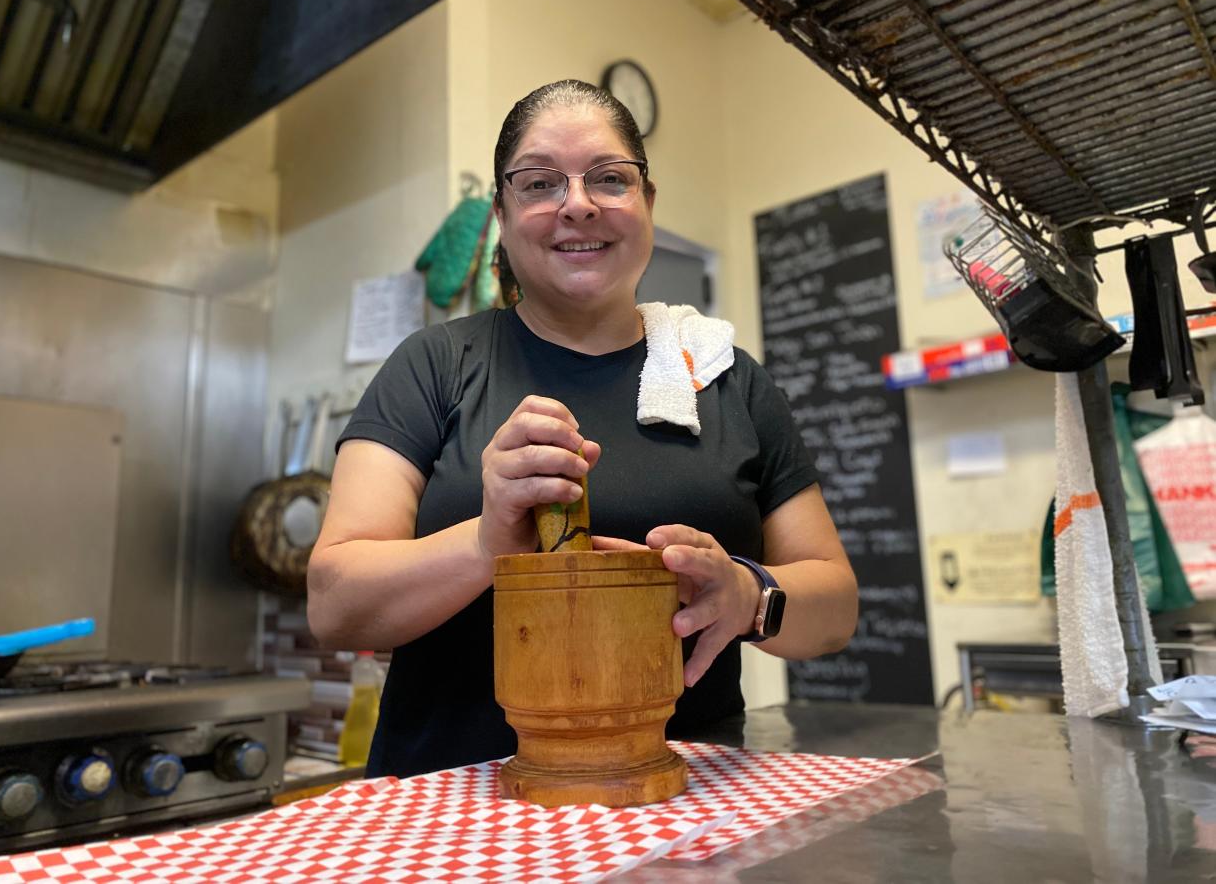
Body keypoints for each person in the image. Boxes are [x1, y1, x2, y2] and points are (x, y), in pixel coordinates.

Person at [308, 79, 858, 779]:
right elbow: (333, 604)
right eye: (540, 183)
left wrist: (749, 596)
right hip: (455, 815)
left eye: (609, 178)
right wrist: (486, 542)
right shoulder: (435, 365)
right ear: (503, 215)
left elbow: (835, 606)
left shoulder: (726, 379)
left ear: (648, 204)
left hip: (678, 806)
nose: (578, 204)